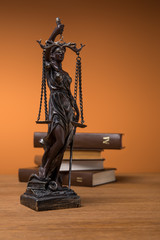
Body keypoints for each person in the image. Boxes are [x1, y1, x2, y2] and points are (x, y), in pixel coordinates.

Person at [38, 44, 79, 189]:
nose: (61, 54)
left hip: (67, 107)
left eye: (63, 52)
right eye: (58, 52)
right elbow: (46, 51)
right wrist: (56, 32)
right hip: (56, 107)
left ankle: (54, 176)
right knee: (59, 140)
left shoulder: (65, 73)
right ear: (52, 54)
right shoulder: (48, 67)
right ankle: (45, 168)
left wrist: (76, 109)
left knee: (64, 144)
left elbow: (68, 92)